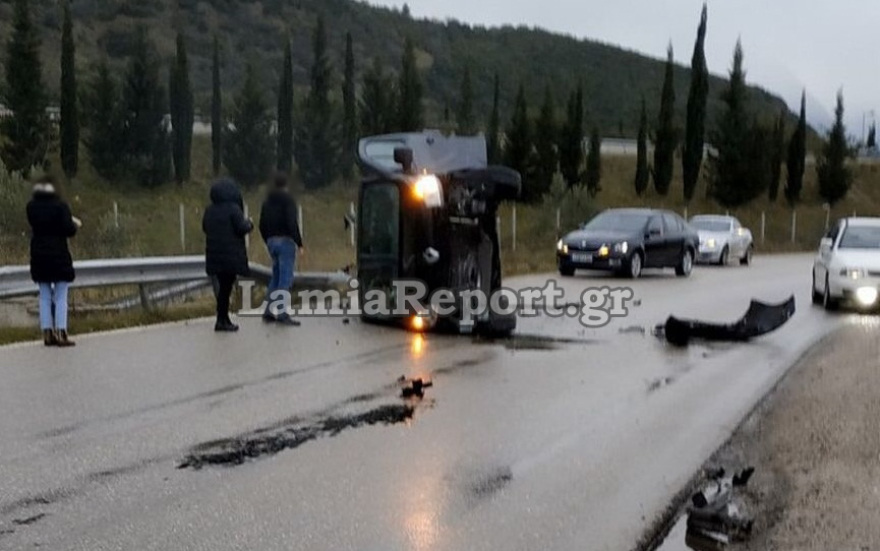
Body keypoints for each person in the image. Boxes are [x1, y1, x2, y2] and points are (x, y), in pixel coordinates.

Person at [26, 177, 81, 347]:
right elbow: (69, 229)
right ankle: (61, 332)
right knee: (60, 295)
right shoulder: (61, 207)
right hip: (58, 254)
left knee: (44, 295)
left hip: (39, 254)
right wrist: (75, 225)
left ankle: (47, 333)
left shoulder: (31, 207)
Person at [202, 178, 254, 332]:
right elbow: (241, 227)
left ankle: (223, 318)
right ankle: (222, 320)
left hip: (214, 254)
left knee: (223, 288)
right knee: (226, 288)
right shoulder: (233, 209)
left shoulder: (209, 210)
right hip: (230, 256)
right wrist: (249, 224)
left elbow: (205, 227)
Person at [259, 172, 304, 325]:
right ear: (286, 185)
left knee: (276, 277)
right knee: (285, 278)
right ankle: (282, 313)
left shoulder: (267, 202)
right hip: (285, 242)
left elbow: (261, 224)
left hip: (271, 241)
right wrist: (299, 243)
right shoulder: (288, 200)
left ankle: (268, 311)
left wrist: (268, 240)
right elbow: (291, 222)